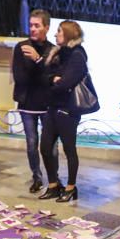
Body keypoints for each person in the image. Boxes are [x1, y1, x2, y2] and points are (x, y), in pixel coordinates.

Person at [39, 20, 92, 203]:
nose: (55, 35)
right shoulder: (57, 52)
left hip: (68, 110)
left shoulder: (77, 55)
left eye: (59, 31)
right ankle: (53, 185)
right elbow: (44, 77)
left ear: (68, 34)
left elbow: (66, 83)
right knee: (45, 147)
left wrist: (54, 82)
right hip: (53, 107)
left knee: (69, 149)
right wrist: (53, 79)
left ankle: (71, 187)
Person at [11, 9, 57, 194]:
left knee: (51, 145)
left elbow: (51, 77)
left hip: (47, 105)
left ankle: (54, 179)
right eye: (31, 25)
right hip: (27, 103)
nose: (33, 28)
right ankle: (37, 177)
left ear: (46, 27)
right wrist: (40, 72)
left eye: (37, 25)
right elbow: (20, 77)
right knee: (31, 143)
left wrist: (38, 61)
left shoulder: (53, 50)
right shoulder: (21, 47)